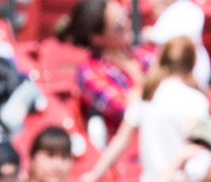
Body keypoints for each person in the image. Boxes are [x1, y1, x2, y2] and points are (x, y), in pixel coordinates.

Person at [81, 36, 208, 182]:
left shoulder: (144, 95)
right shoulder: (196, 100)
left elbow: (119, 141)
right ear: (192, 63)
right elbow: (193, 148)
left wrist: (94, 175)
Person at [57, 0, 152, 140]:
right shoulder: (91, 72)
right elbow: (126, 109)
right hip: (129, 148)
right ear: (97, 38)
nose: (128, 24)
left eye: (126, 16)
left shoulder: (141, 55)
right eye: (118, 25)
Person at [143, 0, 210, 88]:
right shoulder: (169, 12)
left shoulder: (189, 11)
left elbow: (174, 42)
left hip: (189, 75)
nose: (154, 2)